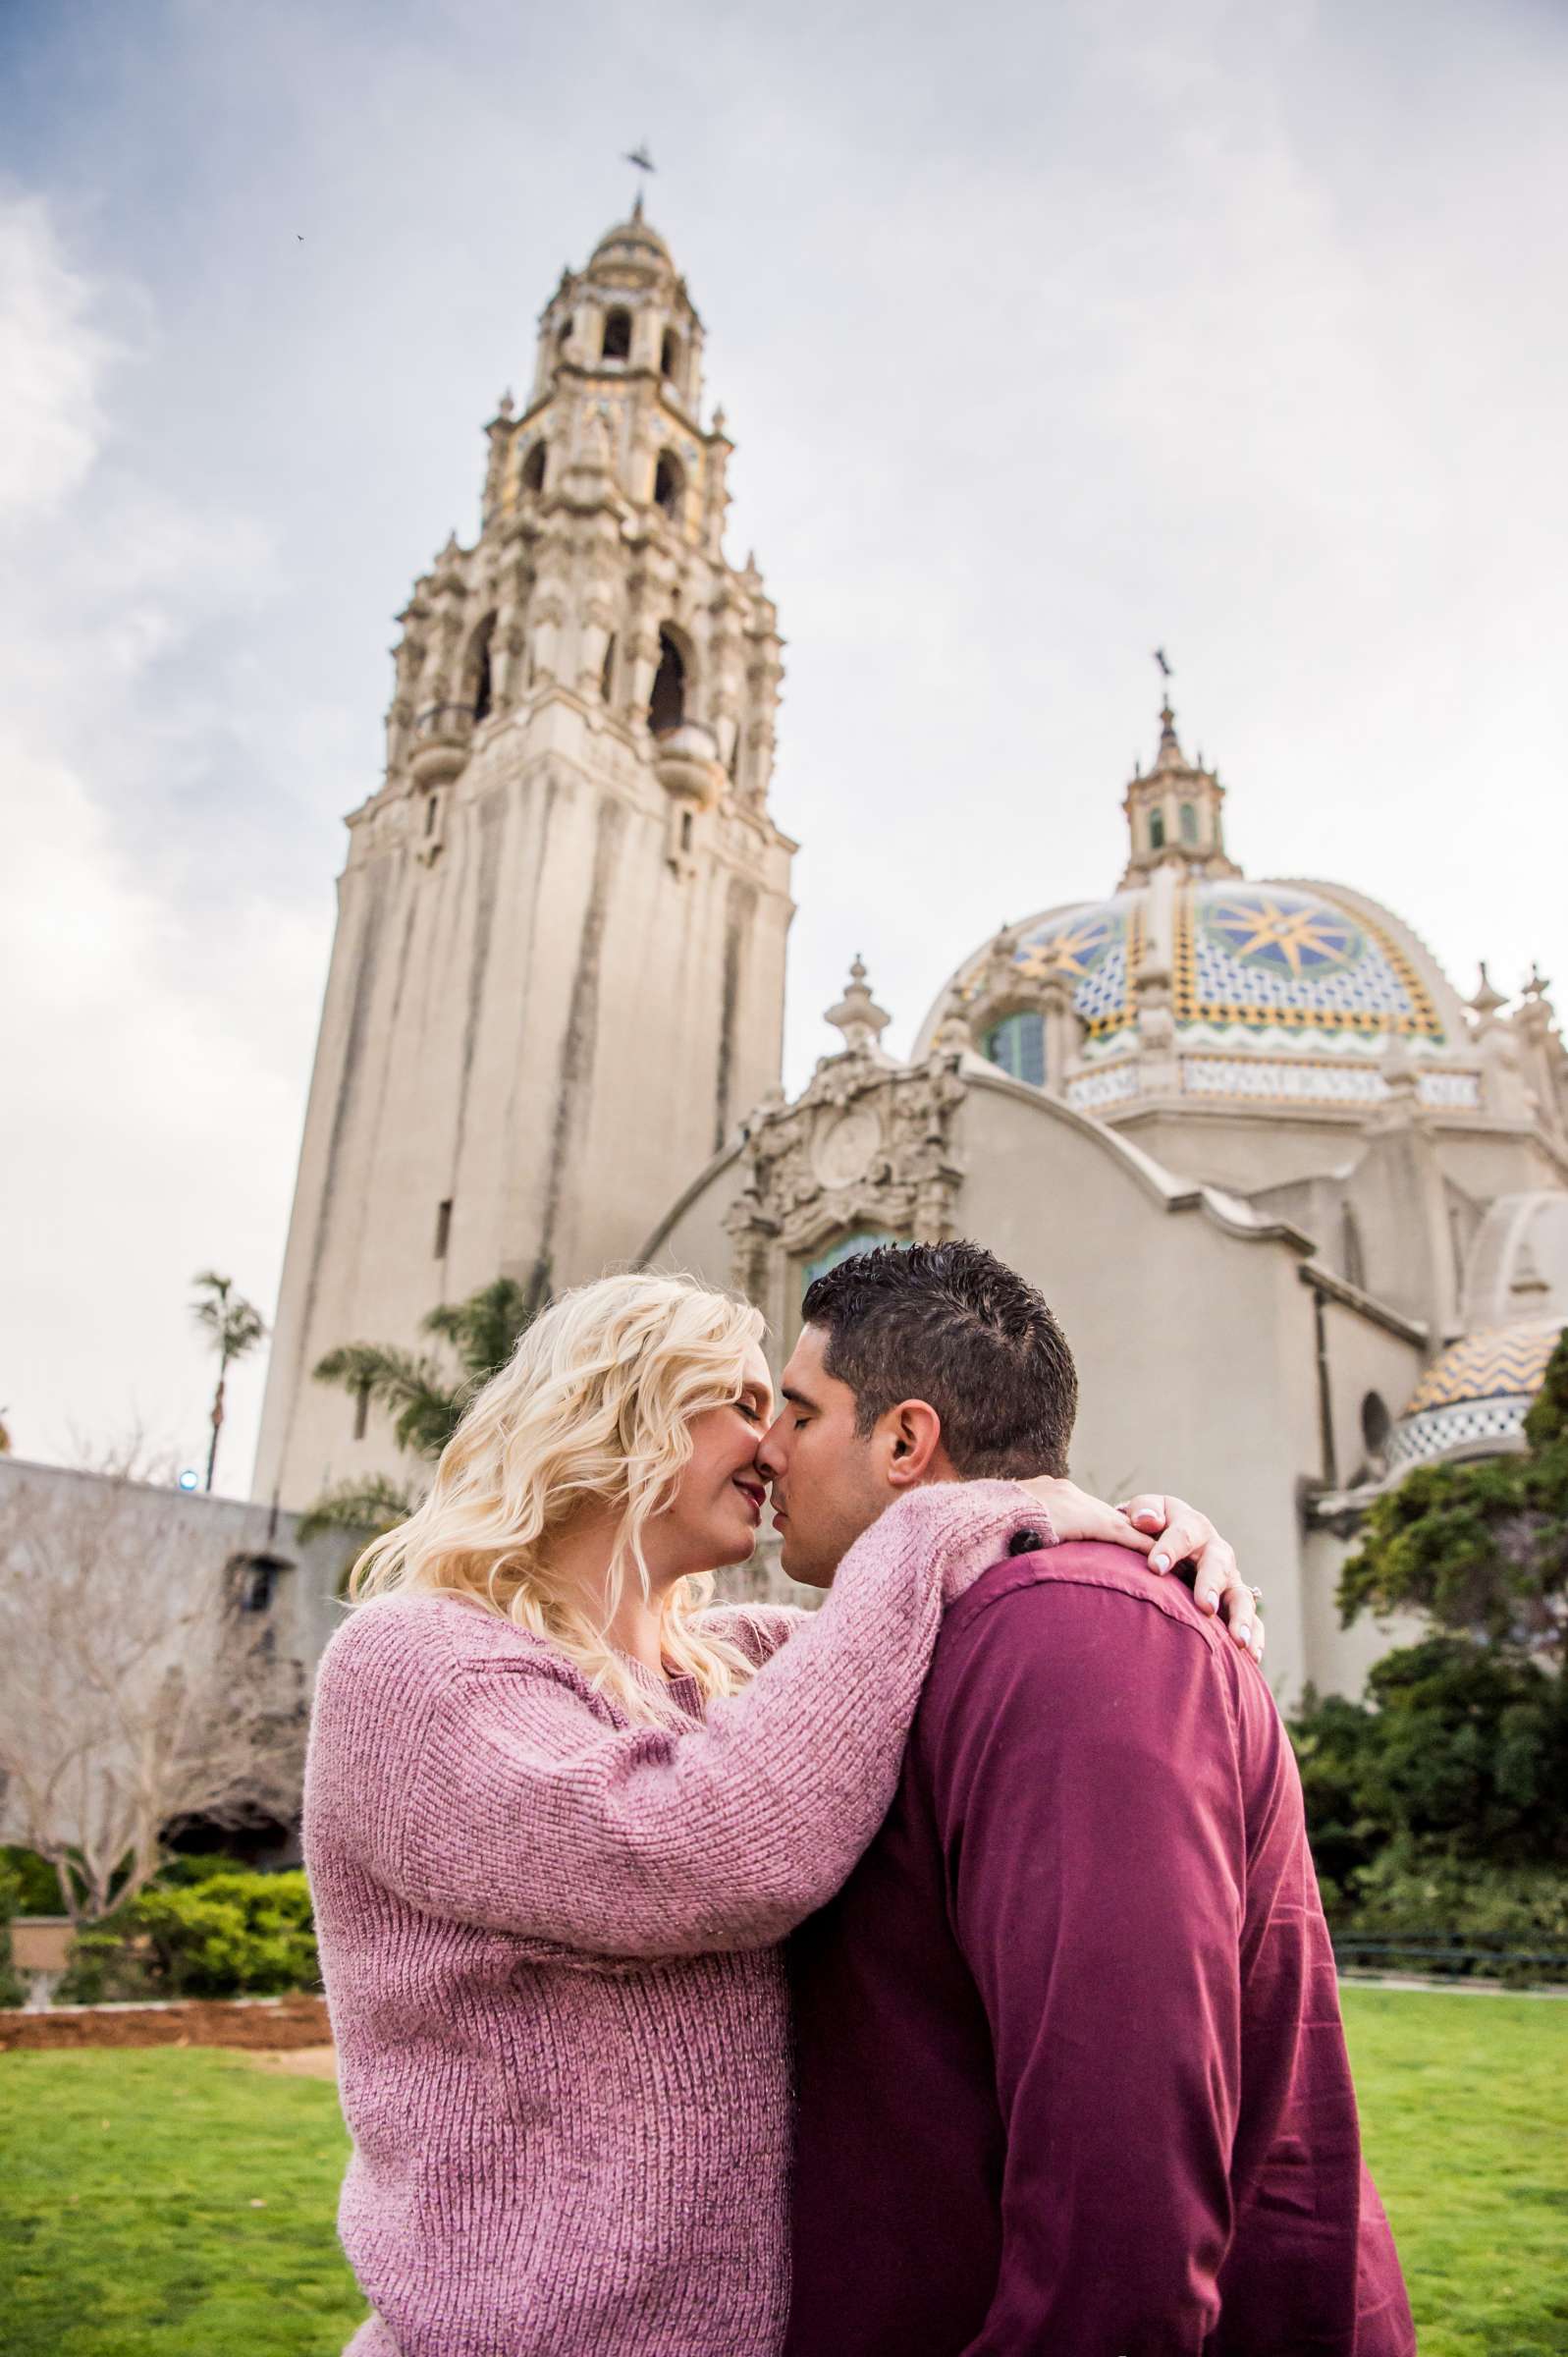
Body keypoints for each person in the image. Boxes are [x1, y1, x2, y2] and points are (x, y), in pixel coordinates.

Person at [303, 1268, 1258, 2357]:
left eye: (788, 1412)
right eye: (747, 1405)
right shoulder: (415, 1667)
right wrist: (947, 1518)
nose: (772, 1449)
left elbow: (959, 1646)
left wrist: (1138, 1540)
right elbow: (698, 1857)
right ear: (624, 1410)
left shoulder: (737, 1666)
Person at [773, 1242, 1416, 2357]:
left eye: (793, 1412)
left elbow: (1121, 2221)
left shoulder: (1069, 1638)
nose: (762, 1451)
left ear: (903, 1441)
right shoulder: (929, 1644)